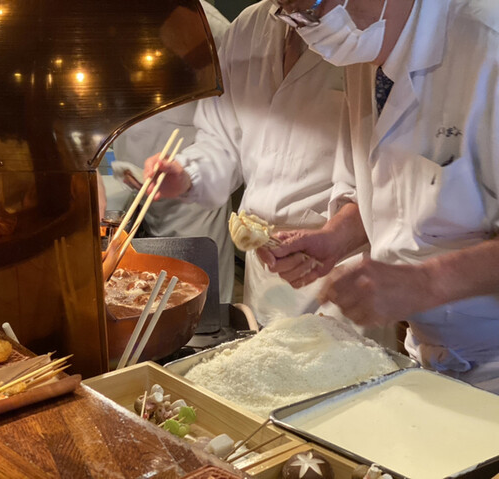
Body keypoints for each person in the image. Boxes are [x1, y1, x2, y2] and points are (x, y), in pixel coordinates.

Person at [262, 0, 499, 392]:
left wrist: (427, 282)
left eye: (311, 9)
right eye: (289, 14)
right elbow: (392, 188)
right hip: (427, 355)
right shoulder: (365, 53)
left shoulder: (488, 45)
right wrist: (335, 237)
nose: (308, 28)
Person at [143, 0, 352, 327]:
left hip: (341, 265)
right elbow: (222, 140)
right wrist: (187, 173)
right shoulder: (250, 27)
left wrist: (340, 235)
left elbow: (385, 172)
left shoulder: (360, 26)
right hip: (264, 263)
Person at [106, 0, 235, 303]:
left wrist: (188, 172)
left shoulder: (199, 22)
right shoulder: (111, 18)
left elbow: (231, 122)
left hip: (194, 195)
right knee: (145, 292)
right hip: (138, 182)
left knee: (201, 295)